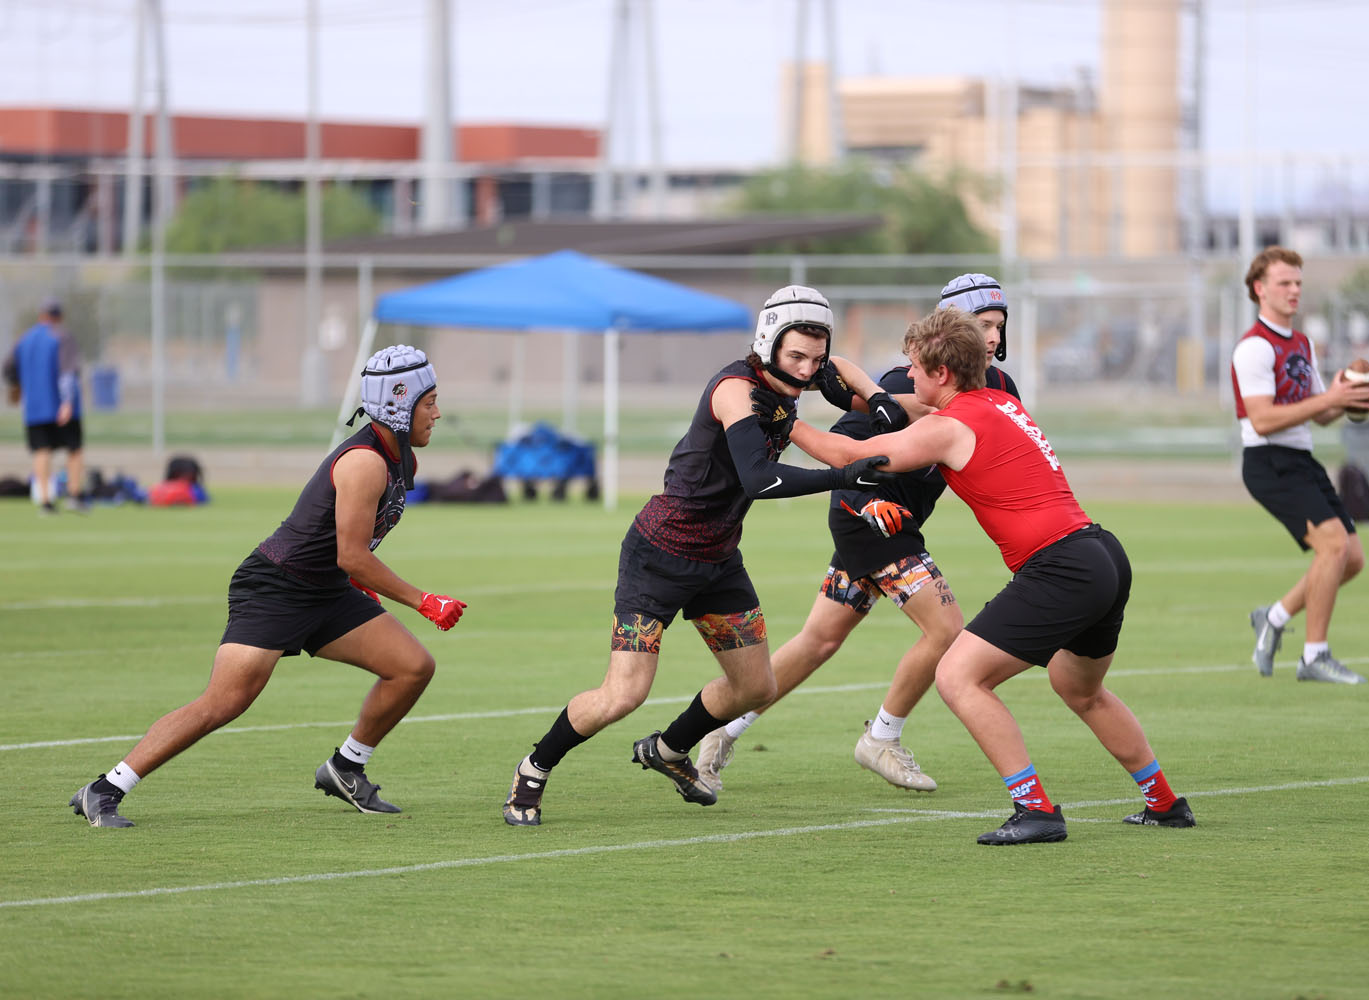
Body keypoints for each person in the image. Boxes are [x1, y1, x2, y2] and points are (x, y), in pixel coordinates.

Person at [778, 307, 1195, 844]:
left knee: (957, 676)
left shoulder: (950, 426)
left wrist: (779, 421)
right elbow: (897, 404)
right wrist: (861, 387)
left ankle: (1035, 810)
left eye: (914, 367)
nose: (909, 376)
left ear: (942, 374)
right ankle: (1164, 803)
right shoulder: (999, 401)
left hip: (1061, 566)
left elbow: (852, 454)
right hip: (1103, 555)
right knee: (1079, 688)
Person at [501, 285, 902, 827]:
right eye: (797, 357)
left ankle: (667, 751)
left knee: (757, 686)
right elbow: (758, 480)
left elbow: (841, 372)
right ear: (768, 344)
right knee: (624, 694)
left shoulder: (792, 377)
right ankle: (533, 768)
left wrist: (877, 399)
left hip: (718, 559)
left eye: (815, 358)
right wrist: (840, 476)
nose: (809, 371)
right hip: (658, 555)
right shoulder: (737, 390)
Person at [69, 345, 466, 828]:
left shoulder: (403, 459)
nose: (437, 412)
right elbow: (351, 554)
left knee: (412, 667)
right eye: (429, 402)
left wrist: (361, 584)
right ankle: (104, 789)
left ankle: (345, 768)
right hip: (276, 586)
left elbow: (351, 550)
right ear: (399, 403)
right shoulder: (365, 462)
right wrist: (424, 601)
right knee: (223, 703)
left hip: (327, 588)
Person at [695, 274, 1019, 794]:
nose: (994, 338)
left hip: (897, 523)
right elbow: (845, 452)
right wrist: (867, 501)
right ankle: (881, 739)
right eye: (982, 326)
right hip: (872, 517)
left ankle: (722, 728)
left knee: (819, 641)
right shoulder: (909, 382)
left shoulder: (1001, 389)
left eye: (999, 326)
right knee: (946, 630)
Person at [1233, 246, 1369, 685]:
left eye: (1298, 282)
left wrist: (1348, 401)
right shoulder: (1254, 348)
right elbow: (1262, 418)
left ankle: (1274, 617)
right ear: (1260, 289)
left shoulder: (1301, 343)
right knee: (1332, 546)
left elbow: (1318, 411)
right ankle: (1314, 656)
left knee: (1351, 559)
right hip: (1268, 460)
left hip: (1300, 457)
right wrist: (1329, 399)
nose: (1294, 290)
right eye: (1284, 283)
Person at [2, 299, 87, 513]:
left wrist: (16, 386)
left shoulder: (24, 339)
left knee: (41, 450)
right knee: (74, 449)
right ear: (58, 317)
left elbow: (8, 368)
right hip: (61, 407)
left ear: (41, 315)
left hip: (35, 407)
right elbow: (68, 373)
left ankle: (45, 501)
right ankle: (74, 495)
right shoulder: (62, 336)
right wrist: (67, 402)